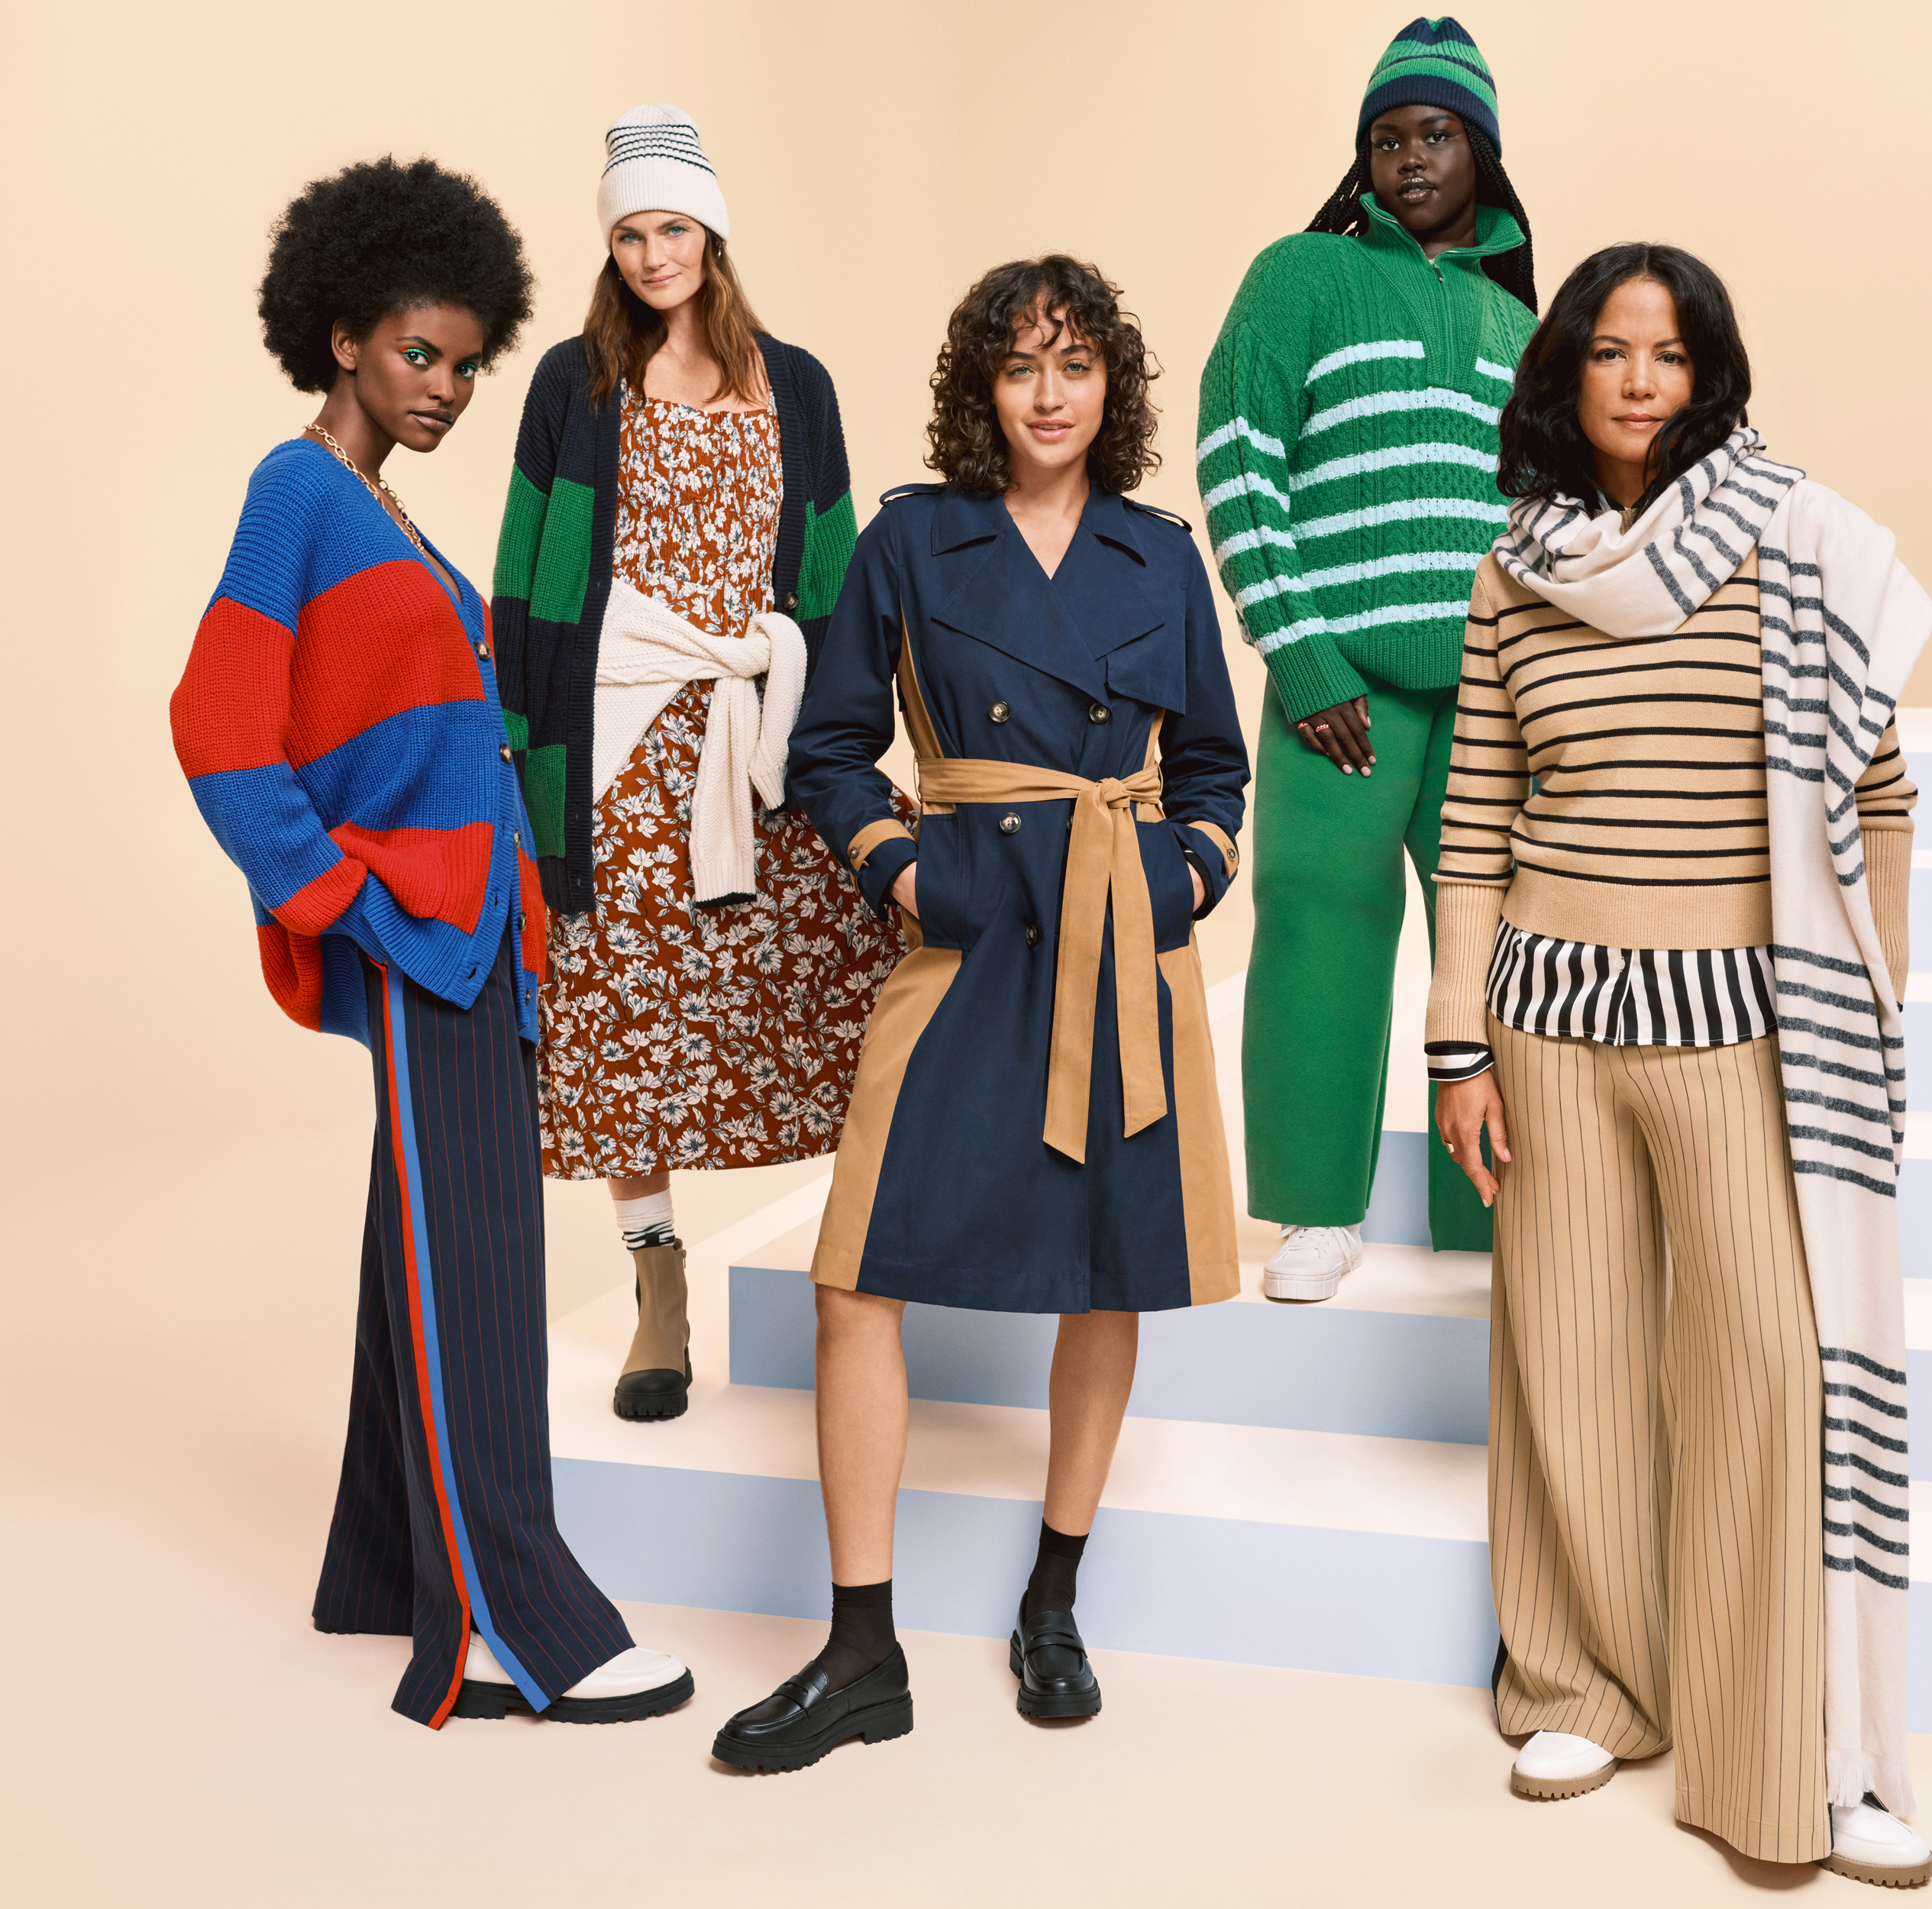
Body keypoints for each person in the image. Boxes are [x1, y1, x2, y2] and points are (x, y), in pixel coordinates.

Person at [1427, 242, 1932, 1886]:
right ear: (1565, 369)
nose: (1637, 378)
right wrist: (1457, 1042)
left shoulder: (1798, 545)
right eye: (1607, 349)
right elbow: (1477, 823)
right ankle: (1582, 1679)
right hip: (1551, 1020)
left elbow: (1882, 793)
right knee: (1565, 1360)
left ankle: (1781, 1738)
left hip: (1742, 1022)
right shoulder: (1511, 571)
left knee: (1763, 1378)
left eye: (1667, 351)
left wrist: (1872, 1002)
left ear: (1707, 371)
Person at [709, 257, 1251, 1772]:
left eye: (1075, 363)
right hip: (968, 930)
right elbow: (826, 743)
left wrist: (1183, 875)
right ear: (980, 389)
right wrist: (901, 870)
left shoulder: (1159, 555)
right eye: (1020, 366)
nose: (1050, 391)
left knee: (1107, 1271)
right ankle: (861, 1644)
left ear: (1111, 385)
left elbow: (1215, 761)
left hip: (1118, 947)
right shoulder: (910, 539)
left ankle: (1055, 1595)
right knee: (854, 1277)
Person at [170, 157, 690, 1727]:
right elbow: (216, 725)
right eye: (420, 353)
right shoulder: (299, 495)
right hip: (425, 936)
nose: (449, 386)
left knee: (432, 1238)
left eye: (466, 361)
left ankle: (389, 1562)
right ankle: (512, 1621)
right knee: (481, 1264)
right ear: (342, 336)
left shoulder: (382, 514)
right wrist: (347, 898)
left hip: (478, 940)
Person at [492, 105, 909, 1423]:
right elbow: (526, 584)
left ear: (713, 232)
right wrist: (523, 753)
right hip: (618, 739)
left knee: (854, 980)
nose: (652, 254)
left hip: (759, 735)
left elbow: (837, 575)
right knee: (625, 1016)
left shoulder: (801, 382)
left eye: (671, 227)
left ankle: (865, 1267)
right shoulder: (574, 384)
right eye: (628, 233)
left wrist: (840, 731)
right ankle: (656, 1282)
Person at [1197, 16, 1538, 1303]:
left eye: (1433, 134)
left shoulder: (1522, 320)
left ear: (1481, 152)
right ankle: (1314, 1213)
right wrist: (1302, 654)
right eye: (1384, 138)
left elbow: (1547, 511)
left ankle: (1497, 1216)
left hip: (1494, 699)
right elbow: (1238, 459)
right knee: (1319, 930)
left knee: (1505, 950)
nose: (1406, 157)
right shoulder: (1299, 275)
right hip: (1335, 689)